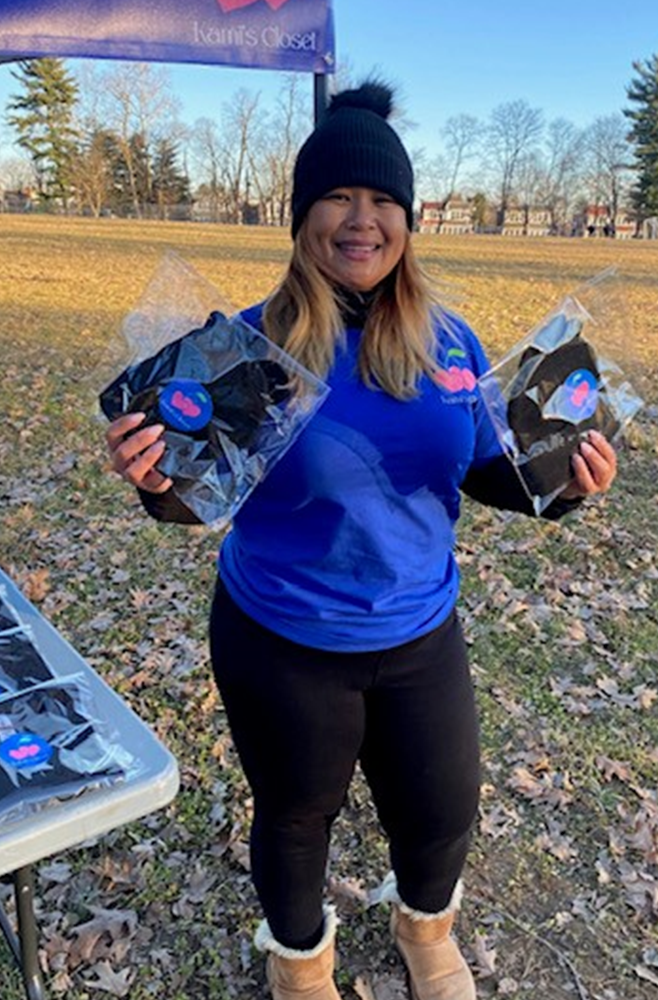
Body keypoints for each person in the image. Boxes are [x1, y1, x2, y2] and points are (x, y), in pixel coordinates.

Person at [105, 82, 618, 1000]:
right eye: (339, 196)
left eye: (384, 201)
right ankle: (301, 960)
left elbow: (479, 467)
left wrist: (565, 487)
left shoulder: (447, 340)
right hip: (284, 639)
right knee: (299, 818)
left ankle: (427, 931)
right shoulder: (244, 351)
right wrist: (154, 480)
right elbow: (196, 500)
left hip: (420, 631)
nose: (362, 219)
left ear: (408, 219)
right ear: (303, 215)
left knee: (442, 810)